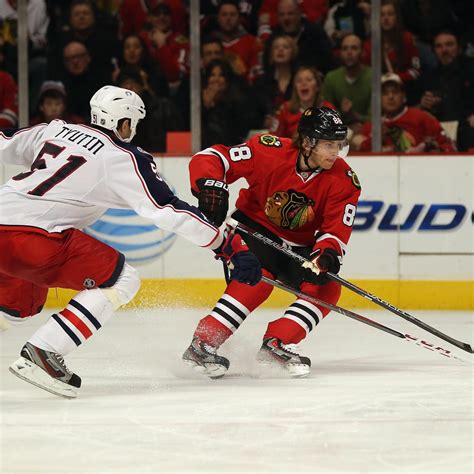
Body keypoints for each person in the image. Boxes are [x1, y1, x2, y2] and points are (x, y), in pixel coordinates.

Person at [0, 85, 261, 398]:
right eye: (133, 123)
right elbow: (167, 209)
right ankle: (44, 351)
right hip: (35, 237)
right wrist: (225, 244)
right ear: (124, 123)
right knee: (122, 279)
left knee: (20, 306)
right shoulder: (122, 157)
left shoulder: (55, 130)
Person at [182, 107, 361, 378]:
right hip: (253, 231)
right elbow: (213, 157)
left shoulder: (344, 180)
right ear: (308, 142)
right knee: (256, 278)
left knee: (327, 287)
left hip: (297, 247)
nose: (335, 152)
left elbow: (335, 230)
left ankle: (277, 343)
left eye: (339, 145)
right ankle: (203, 343)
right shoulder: (269, 151)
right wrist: (209, 185)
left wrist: (326, 255)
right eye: (328, 144)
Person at [352, 73, 455, 153]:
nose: (391, 97)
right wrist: (374, 139)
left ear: (404, 97)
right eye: (385, 93)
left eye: (395, 92)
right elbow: (358, 157)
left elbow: (449, 147)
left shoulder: (422, 118)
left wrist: (428, 149)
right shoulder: (372, 126)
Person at [322, 33, 371, 131]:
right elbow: (326, 115)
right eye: (345, 49)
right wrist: (344, 116)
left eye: (354, 48)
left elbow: (376, 117)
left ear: (362, 52)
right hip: (337, 130)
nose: (349, 52)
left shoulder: (373, 77)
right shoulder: (331, 78)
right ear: (340, 53)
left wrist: (355, 116)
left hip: (368, 130)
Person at [273, 66, 335, 139]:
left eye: (309, 80)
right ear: (295, 88)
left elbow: (336, 137)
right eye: (299, 81)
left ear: (317, 87)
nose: (303, 83)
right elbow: (276, 138)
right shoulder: (285, 109)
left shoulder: (328, 109)